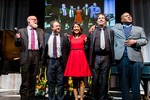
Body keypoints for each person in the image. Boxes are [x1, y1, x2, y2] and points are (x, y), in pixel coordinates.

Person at [111, 12, 148, 100]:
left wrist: (135, 42)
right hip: (122, 58)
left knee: (136, 82)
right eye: (126, 16)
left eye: (130, 16)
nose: (129, 17)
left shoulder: (139, 29)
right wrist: (94, 27)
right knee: (124, 83)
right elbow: (103, 28)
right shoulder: (115, 28)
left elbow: (145, 40)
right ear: (122, 19)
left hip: (136, 59)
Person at [14, 15, 45, 100]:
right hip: (26, 54)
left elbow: (43, 43)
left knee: (33, 78)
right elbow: (17, 44)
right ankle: (24, 97)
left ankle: (31, 97)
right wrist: (18, 39)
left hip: (36, 54)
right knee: (25, 79)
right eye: (34, 20)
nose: (36, 21)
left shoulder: (40, 31)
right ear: (29, 21)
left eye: (36, 19)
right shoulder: (21, 31)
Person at [88, 13, 114, 100]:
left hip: (106, 57)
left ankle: (103, 97)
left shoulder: (110, 31)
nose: (101, 19)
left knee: (104, 79)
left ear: (105, 21)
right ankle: (94, 97)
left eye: (103, 18)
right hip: (96, 57)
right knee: (95, 79)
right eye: (99, 18)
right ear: (97, 21)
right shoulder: (93, 31)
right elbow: (88, 44)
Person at [64, 22, 91, 100]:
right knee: (74, 81)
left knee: (82, 81)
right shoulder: (70, 38)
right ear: (72, 29)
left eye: (77, 27)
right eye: (75, 27)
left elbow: (87, 48)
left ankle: (81, 98)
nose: (76, 28)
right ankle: (76, 98)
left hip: (81, 58)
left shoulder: (84, 37)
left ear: (80, 28)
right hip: (73, 58)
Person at [44, 20, 69, 100]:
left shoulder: (64, 37)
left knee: (60, 82)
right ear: (51, 27)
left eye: (59, 26)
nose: (58, 27)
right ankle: (51, 98)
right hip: (50, 61)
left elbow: (68, 49)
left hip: (60, 61)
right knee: (50, 82)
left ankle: (60, 98)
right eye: (56, 26)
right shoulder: (46, 36)